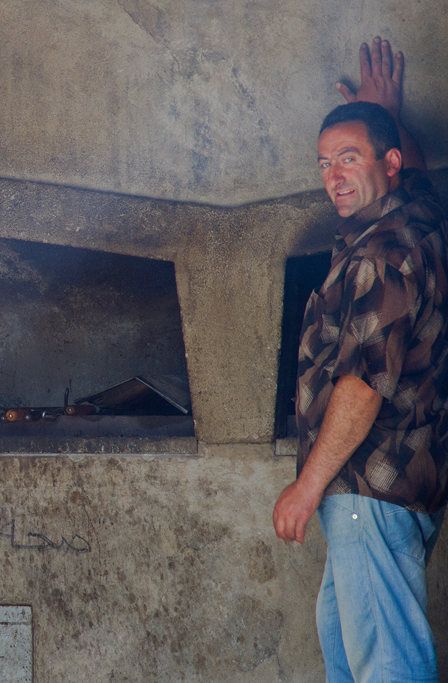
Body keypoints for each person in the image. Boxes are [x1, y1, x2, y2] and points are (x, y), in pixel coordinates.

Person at [273, 37, 448, 680]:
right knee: (349, 651)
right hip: (393, 489)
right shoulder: (418, 215)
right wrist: (386, 114)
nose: (334, 177)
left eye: (350, 158)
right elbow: (425, 179)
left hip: (365, 489)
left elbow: (363, 385)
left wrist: (307, 486)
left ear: (388, 162)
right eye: (325, 163)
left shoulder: (382, 254)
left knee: (387, 665)